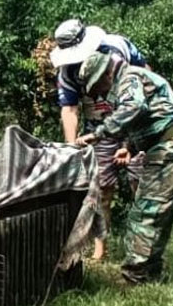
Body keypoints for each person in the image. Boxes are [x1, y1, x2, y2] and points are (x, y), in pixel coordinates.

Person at [75, 50, 173, 285]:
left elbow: (135, 107)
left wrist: (98, 134)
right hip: (170, 148)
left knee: (145, 214)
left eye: (98, 87)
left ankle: (134, 277)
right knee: (156, 214)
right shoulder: (132, 77)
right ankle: (150, 273)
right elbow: (150, 117)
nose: (99, 94)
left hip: (170, 149)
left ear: (106, 74)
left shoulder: (128, 77)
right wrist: (130, 147)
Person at [50, 18, 148, 260]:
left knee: (141, 183)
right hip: (97, 130)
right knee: (101, 189)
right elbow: (69, 109)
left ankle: (143, 250)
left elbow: (146, 76)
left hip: (135, 124)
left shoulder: (117, 48)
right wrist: (72, 147)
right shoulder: (67, 72)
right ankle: (100, 250)